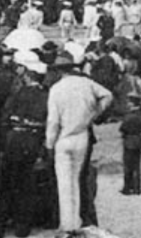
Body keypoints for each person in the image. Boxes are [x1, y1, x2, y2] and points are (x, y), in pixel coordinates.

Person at [45, 59, 113, 235]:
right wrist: (95, 113)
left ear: (59, 71)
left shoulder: (56, 89)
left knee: (64, 182)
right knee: (76, 179)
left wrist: (49, 143)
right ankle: (77, 220)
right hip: (82, 134)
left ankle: (68, 223)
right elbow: (107, 95)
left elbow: (53, 121)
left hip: (63, 137)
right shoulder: (86, 83)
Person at [0, 50, 50, 238]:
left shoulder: (17, 94)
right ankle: (22, 228)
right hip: (33, 141)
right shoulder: (46, 96)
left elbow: (4, 119)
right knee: (27, 186)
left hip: (13, 140)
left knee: (7, 185)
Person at [120, 94, 141, 195]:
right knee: (137, 166)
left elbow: (123, 128)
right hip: (139, 140)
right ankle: (137, 188)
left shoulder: (128, 116)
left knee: (128, 166)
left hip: (129, 141)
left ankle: (127, 187)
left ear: (132, 104)